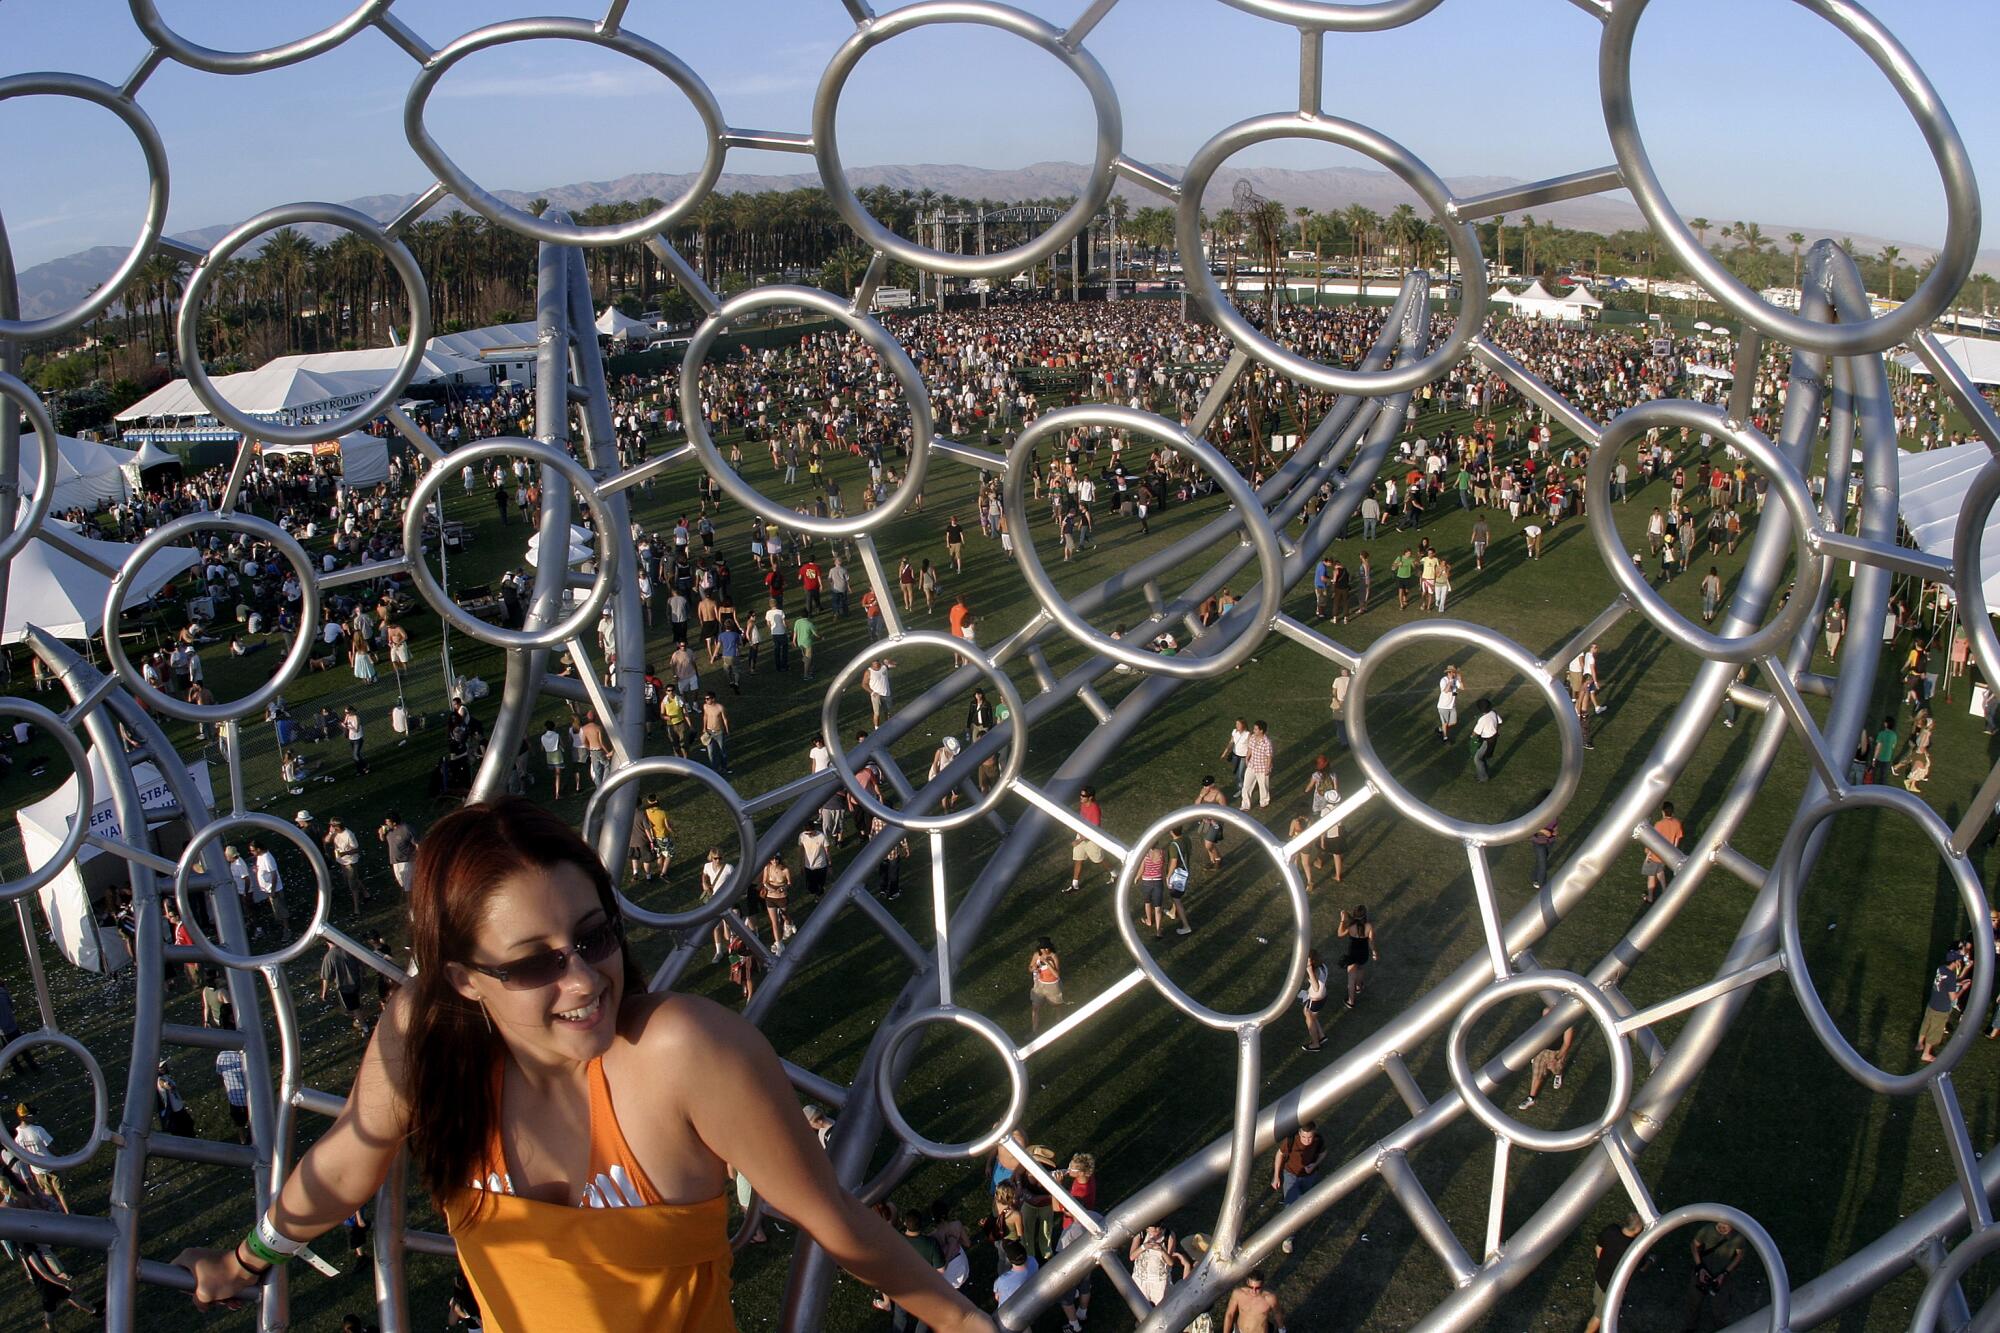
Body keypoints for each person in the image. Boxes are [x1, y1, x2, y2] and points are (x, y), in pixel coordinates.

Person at [173, 799, 994, 1332]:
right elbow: (348, 1162)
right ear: (462, 978)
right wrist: (241, 1261)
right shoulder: (424, 1038)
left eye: (594, 936)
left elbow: (833, 1218)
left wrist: (961, 1322)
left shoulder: (682, 1053)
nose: (582, 978)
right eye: (532, 961)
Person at [1585, 1213, 1648, 1333]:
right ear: (1638, 1229)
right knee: (1598, 1318)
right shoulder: (1634, 1248)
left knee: (1598, 1304)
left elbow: (1598, 1249)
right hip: (1612, 1288)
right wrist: (1650, 1261)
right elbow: (1641, 1268)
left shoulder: (1611, 1230)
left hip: (1600, 1277)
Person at [1270, 1120, 1324, 1253]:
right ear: (1299, 1133)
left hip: (1309, 1177)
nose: (1307, 1140)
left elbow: (1323, 1153)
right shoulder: (1292, 1140)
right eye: (1304, 1137)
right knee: (1292, 1207)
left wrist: (1315, 1164)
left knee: (1304, 1204)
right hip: (1291, 1176)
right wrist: (1276, 1176)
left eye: (1310, 1137)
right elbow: (1280, 1154)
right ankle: (1288, 1238)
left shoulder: (1318, 1140)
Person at [1684, 1218, 1746, 1331]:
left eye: (1726, 1226)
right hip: (1703, 1270)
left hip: (1722, 1275)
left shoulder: (1738, 1237)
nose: (1722, 1228)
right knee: (1693, 1302)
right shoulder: (1707, 1230)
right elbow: (1694, 1245)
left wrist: (1725, 1273)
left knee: (1719, 1308)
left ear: (1732, 1226)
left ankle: (1720, 1328)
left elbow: (1739, 1255)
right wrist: (1700, 1267)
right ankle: (1690, 1328)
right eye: (1719, 1225)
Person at [1642, 801, 1685, 906]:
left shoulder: (1659, 824)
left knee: (1651, 876)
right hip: (1667, 855)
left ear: (1663, 812)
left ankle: (1650, 898)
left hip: (1655, 854)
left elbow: (1653, 841)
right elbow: (1677, 838)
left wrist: (1648, 854)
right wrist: (1673, 851)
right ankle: (1665, 892)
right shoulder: (1677, 823)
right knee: (1660, 872)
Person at [1065, 788, 1106, 893]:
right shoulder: (1083, 804)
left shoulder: (1094, 809)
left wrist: (1079, 840)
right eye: (1080, 795)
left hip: (1092, 838)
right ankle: (1075, 885)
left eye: (1083, 796)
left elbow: (1094, 829)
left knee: (1099, 860)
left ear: (1090, 797)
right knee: (1078, 859)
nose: (1080, 797)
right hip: (1081, 835)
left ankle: (1115, 873)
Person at [1338, 906, 1375, 1009]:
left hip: (1352, 954)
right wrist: (1374, 952)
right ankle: (1358, 987)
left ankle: (1351, 1001)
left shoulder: (1351, 926)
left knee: (1351, 978)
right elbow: (1371, 941)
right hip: (1363, 954)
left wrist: (1342, 920)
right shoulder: (1369, 926)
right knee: (1360, 968)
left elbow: (1340, 934)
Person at [1028, 938, 1064, 1034]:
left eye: (1046, 948)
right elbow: (1030, 968)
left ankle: (1060, 1024)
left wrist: (1048, 963)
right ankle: (1034, 1030)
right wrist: (1034, 968)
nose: (1044, 951)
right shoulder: (1036, 955)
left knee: (1056, 1006)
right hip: (1039, 984)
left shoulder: (1053, 957)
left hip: (1052, 985)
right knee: (1035, 1008)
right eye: (1042, 949)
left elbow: (1056, 975)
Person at [380, 812, 420, 894]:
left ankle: (412, 901)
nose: (386, 824)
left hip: (406, 860)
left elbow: (417, 843)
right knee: (402, 883)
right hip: (395, 861)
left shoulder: (406, 829)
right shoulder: (388, 831)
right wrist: (381, 834)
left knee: (408, 886)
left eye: (388, 822)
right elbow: (383, 839)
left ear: (394, 823)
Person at [1299, 950, 1329, 1053]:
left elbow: (1316, 987)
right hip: (1323, 996)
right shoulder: (1323, 966)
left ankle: (1315, 1044)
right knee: (1312, 1016)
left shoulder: (1313, 970)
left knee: (1309, 1019)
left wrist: (1309, 970)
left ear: (1312, 961)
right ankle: (1321, 1036)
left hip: (1315, 999)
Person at [1469, 700, 1502, 783]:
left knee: (1477, 758)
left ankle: (1483, 777)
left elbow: (1476, 732)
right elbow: (1500, 721)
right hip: (1494, 737)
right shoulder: (1493, 713)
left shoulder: (1483, 719)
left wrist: (1472, 736)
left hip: (1488, 741)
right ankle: (1483, 773)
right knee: (1482, 757)